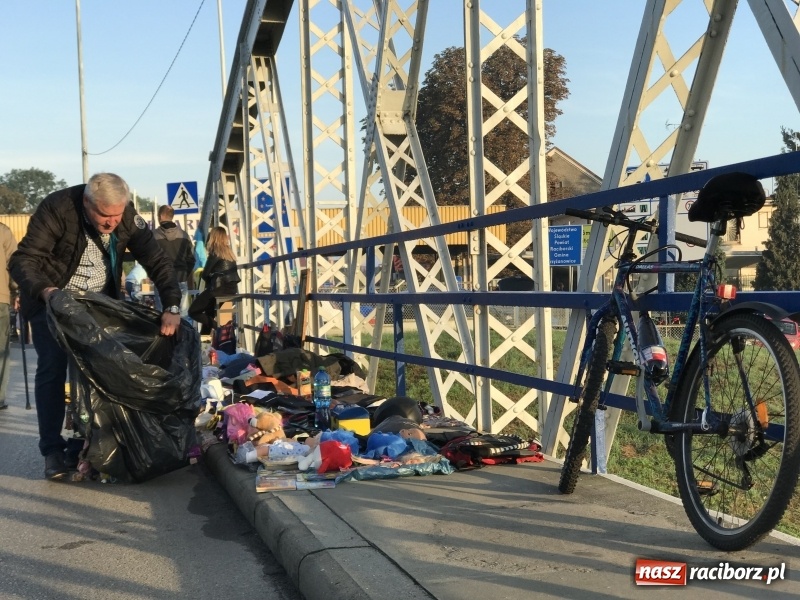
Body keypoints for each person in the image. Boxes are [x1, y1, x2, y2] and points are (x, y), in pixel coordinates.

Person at [9, 172, 183, 480]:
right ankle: (52, 450)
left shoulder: (126, 216)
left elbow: (157, 262)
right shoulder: (57, 208)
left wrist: (171, 305)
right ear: (88, 203)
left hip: (97, 304)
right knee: (52, 367)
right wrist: (47, 292)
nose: (111, 223)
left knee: (100, 372)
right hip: (52, 299)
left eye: (117, 216)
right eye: (105, 216)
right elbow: (23, 260)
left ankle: (86, 446)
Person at [188, 226, 240, 335]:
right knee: (209, 313)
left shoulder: (215, 252)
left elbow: (205, 274)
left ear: (213, 238)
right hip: (231, 289)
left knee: (193, 311)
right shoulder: (229, 253)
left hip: (218, 289)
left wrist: (209, 278)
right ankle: (204, 340)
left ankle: (219, 329)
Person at [152, 205, 194, 315]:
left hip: (161, 280)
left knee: (162, 314)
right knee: (183, 315)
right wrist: (185, 273)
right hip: (180, 278)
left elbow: (149, 259)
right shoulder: (184, 235)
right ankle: (183, 332)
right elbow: (191, 259)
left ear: (160, 216)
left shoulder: (153, 236)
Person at [0, 222, 18, 411]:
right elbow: (14, 264)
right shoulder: (3, 231)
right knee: (1, 352)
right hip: (0, 298)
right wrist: (16, 291)